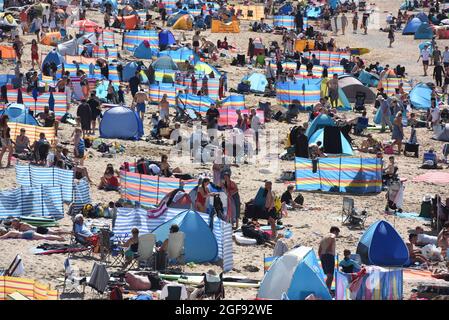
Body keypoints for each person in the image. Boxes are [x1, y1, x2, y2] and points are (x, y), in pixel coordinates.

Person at [318, 226, 340, 291]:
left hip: (323, 256)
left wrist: (321, 258)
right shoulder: (332, 235)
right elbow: (332, 237)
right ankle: (328, 291)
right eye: (337, 233)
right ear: (335, 231)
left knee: (328, 276)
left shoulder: (323, 238)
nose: (337, 235)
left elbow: (319, 250)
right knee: (330, 276)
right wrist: (329, 248)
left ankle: (327, 290)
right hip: (329, 256)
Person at [0, 227, 65, 241]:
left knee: (44, 237)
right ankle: (59, 237)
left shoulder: (10, 233)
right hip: (27, 234)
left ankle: (60, 238)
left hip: (27, 234)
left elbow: (3, 237)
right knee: (44, 237)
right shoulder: (11, 232)